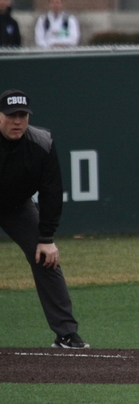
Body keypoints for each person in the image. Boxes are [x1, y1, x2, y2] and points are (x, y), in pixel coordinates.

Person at [0, 89, 90, 349]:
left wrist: (46, 238)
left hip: (17, 206)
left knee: (46, 259)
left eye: (22, 115)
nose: (17, 121)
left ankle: (66, 334)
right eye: (10, 115)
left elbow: (51, 191)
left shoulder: (41, 142)